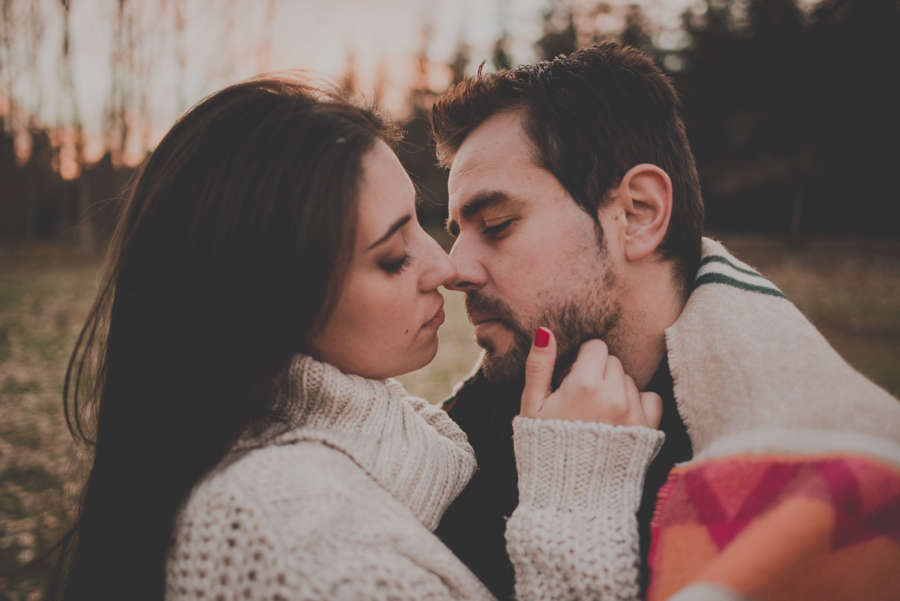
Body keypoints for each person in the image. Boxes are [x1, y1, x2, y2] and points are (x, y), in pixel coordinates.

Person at [47, 74, 666, 601]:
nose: (445, 266)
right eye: (393, 256)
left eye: (422, 224)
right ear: (271, 305)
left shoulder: (406, 449)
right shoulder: (283, 538)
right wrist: (577, 505)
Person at [432, 41, 900, 601]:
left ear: (638, 214)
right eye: (458, 232)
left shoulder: (832, 492)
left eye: (496, 224)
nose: (453, 269)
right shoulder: (460, 438)